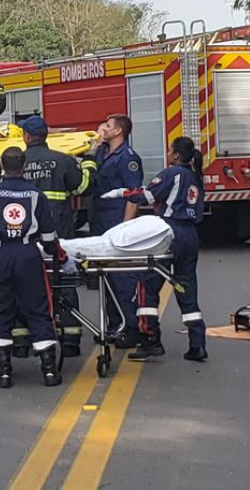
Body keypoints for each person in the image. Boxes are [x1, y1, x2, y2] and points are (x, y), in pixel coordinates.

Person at [0, 147, 75, 388]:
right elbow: (50, 237)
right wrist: (63, 259)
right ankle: (50, 372)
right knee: (39, 310)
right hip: (28, 257)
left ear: (1, 165)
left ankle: (4, 373)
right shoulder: (36, 195)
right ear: (24, 166)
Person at [104, 136, 208, 362]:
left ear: (177, 155)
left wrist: (121, 193)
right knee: (186, 286)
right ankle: (197, 344)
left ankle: (150, 339)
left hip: (168, 232)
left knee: (147, 284)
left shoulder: (170, 173)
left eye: (170, 150)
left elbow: (147, 195)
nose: (168, 153)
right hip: (190, 235)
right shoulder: (195, 177)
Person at [20, 115, 94, 357]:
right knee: (64, 282)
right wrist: (89, 162)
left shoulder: (16, 162)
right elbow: (83, 188)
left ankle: (25, 342)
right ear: (45, 136)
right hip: (59, 232)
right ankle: (71, 340)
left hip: (26, 236)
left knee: (27, 286)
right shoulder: (62, 160)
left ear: (27, 137)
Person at [90, 114, 144, 349]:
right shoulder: (102, 153)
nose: (104, 128)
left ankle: (132, 327)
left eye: (108, 126)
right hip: (100, 220)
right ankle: (115, 325)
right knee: (107, 275)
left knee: (123, 277)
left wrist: (126, 226)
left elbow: (134, 196)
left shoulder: (128, 158)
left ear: (119, 131)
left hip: (116, 220)